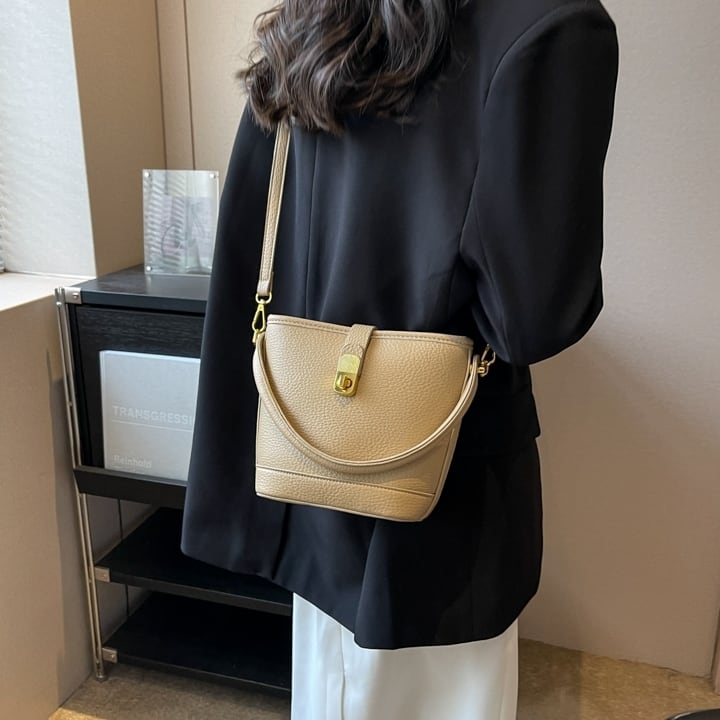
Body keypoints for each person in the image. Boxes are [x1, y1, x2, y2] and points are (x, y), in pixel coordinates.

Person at [181, 0, 619, 717]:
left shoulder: (322, 17)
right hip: (439, 497)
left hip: (312, 456)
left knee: (332, 693)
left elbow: (257, 232)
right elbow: (534, 317)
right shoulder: (550, 26)